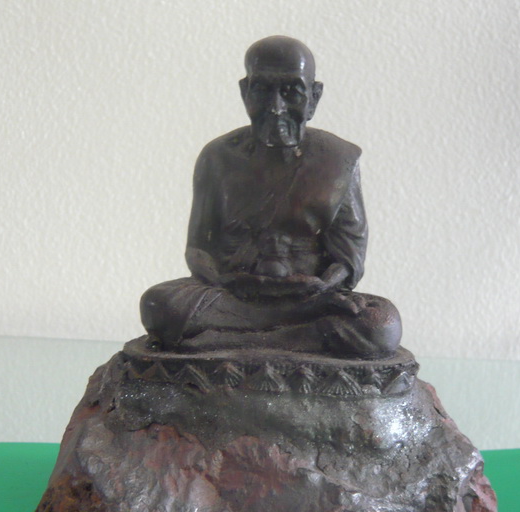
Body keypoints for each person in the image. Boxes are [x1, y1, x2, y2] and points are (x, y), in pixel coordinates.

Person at [140, 36, 402, 358]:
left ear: (314, 97)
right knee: (159, 304)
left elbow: (349, 258)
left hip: (309, 299)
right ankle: (296, 340)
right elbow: (198, 248)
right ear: (244, 92)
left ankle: (228, 343)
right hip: (235, 297)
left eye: (291, 92)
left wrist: (321, 286)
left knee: (380, 324)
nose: (275, 108)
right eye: (262, 90)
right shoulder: (217, 157)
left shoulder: (338, 159)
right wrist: (226, 280)